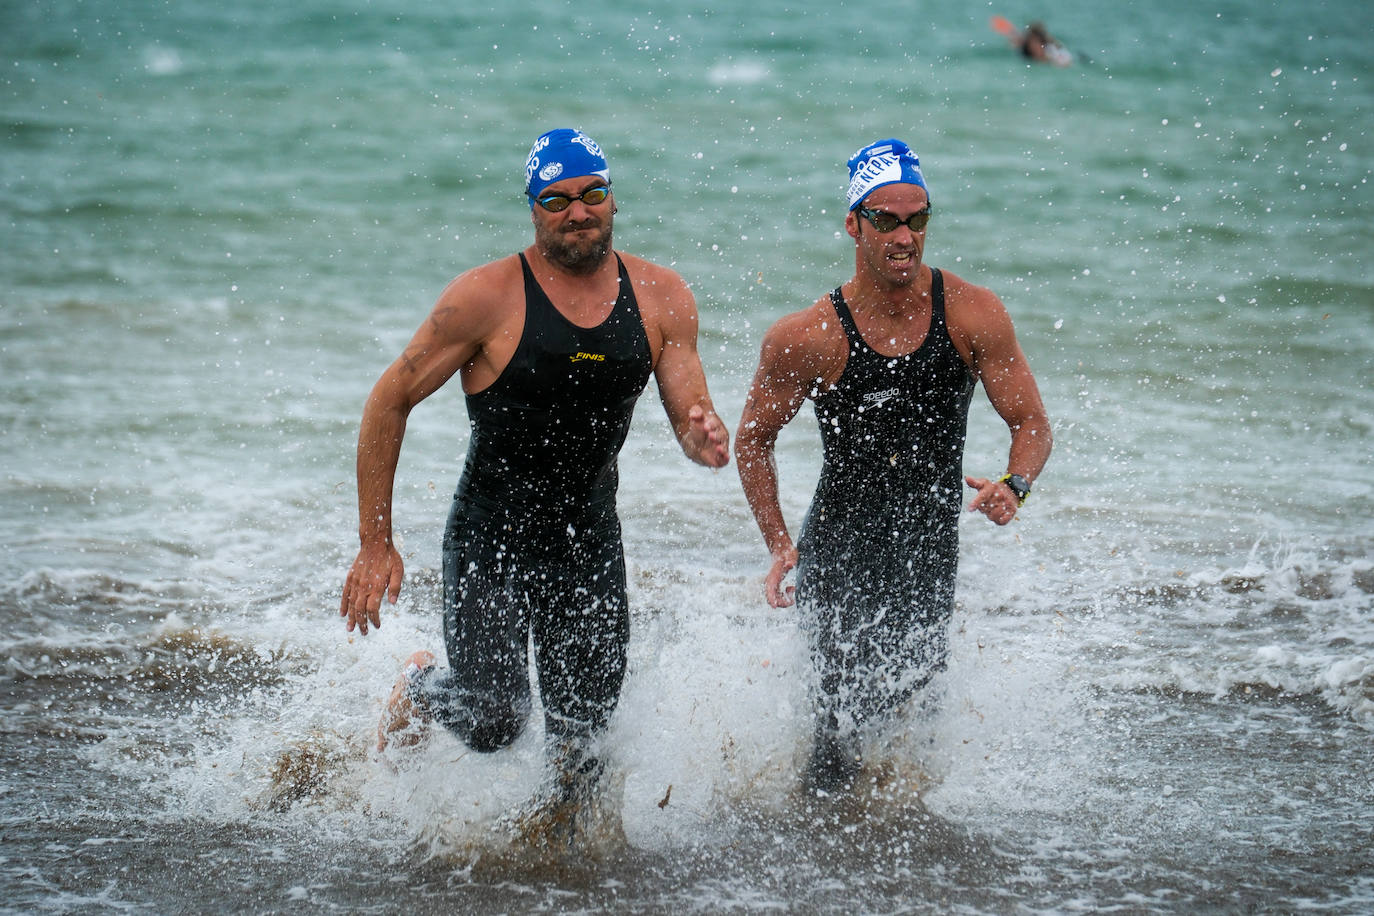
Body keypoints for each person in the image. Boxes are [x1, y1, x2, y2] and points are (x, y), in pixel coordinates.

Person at [339, 128, 730, 813]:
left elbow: (689, 414)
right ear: (533, 208)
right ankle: (422, 688)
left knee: (583, 751)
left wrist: (705, 437)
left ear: (611, 198)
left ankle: (557, 872)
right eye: (558, 200)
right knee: (495, 720)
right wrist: (377, 541)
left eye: (593, 195)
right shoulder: (487, 297)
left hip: (589, 541)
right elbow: (388, 400)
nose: (579, 212)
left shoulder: (663, 296)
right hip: (493, 536)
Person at [734, 139, 1051, 793]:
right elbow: (752, 440)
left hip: (928, 552)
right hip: (840, 550)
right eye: (886, 220)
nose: (905, 236)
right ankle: (812, 878)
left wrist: (1015, 484)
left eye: (918, 218)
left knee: (908, 744)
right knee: (833, 753)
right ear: (853, 224)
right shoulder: (808, 336)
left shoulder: (971, 312)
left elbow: (1032, 424)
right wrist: (778, 543)